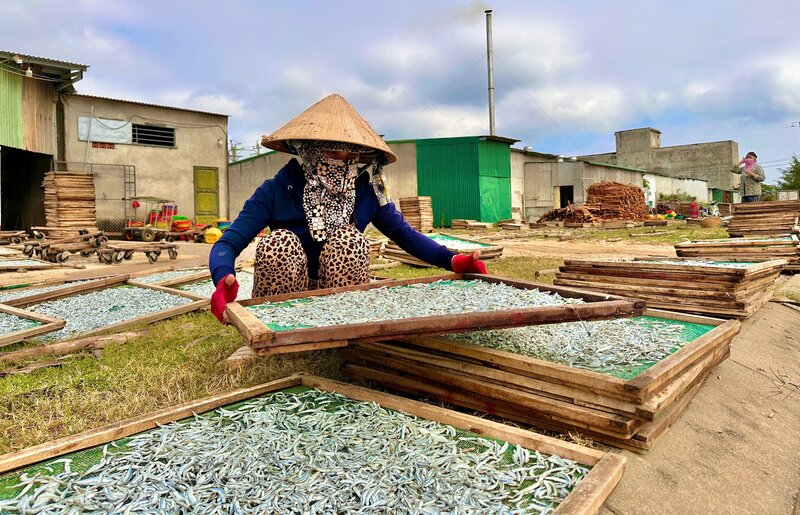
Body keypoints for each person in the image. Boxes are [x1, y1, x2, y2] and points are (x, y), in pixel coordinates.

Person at [209, 94, 487, 323]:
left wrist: (453, 260)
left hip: (340, 297)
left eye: (352, 156)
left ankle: (342, 330)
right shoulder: (276, 190)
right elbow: (229, 242)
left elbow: (407, 236)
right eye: (333, 154)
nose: (344, 163)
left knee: (349, 240)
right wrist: (223, 275)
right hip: (286, 293)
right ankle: (273, 329)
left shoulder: (365, 194)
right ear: (310, 152)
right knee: (280, 242)